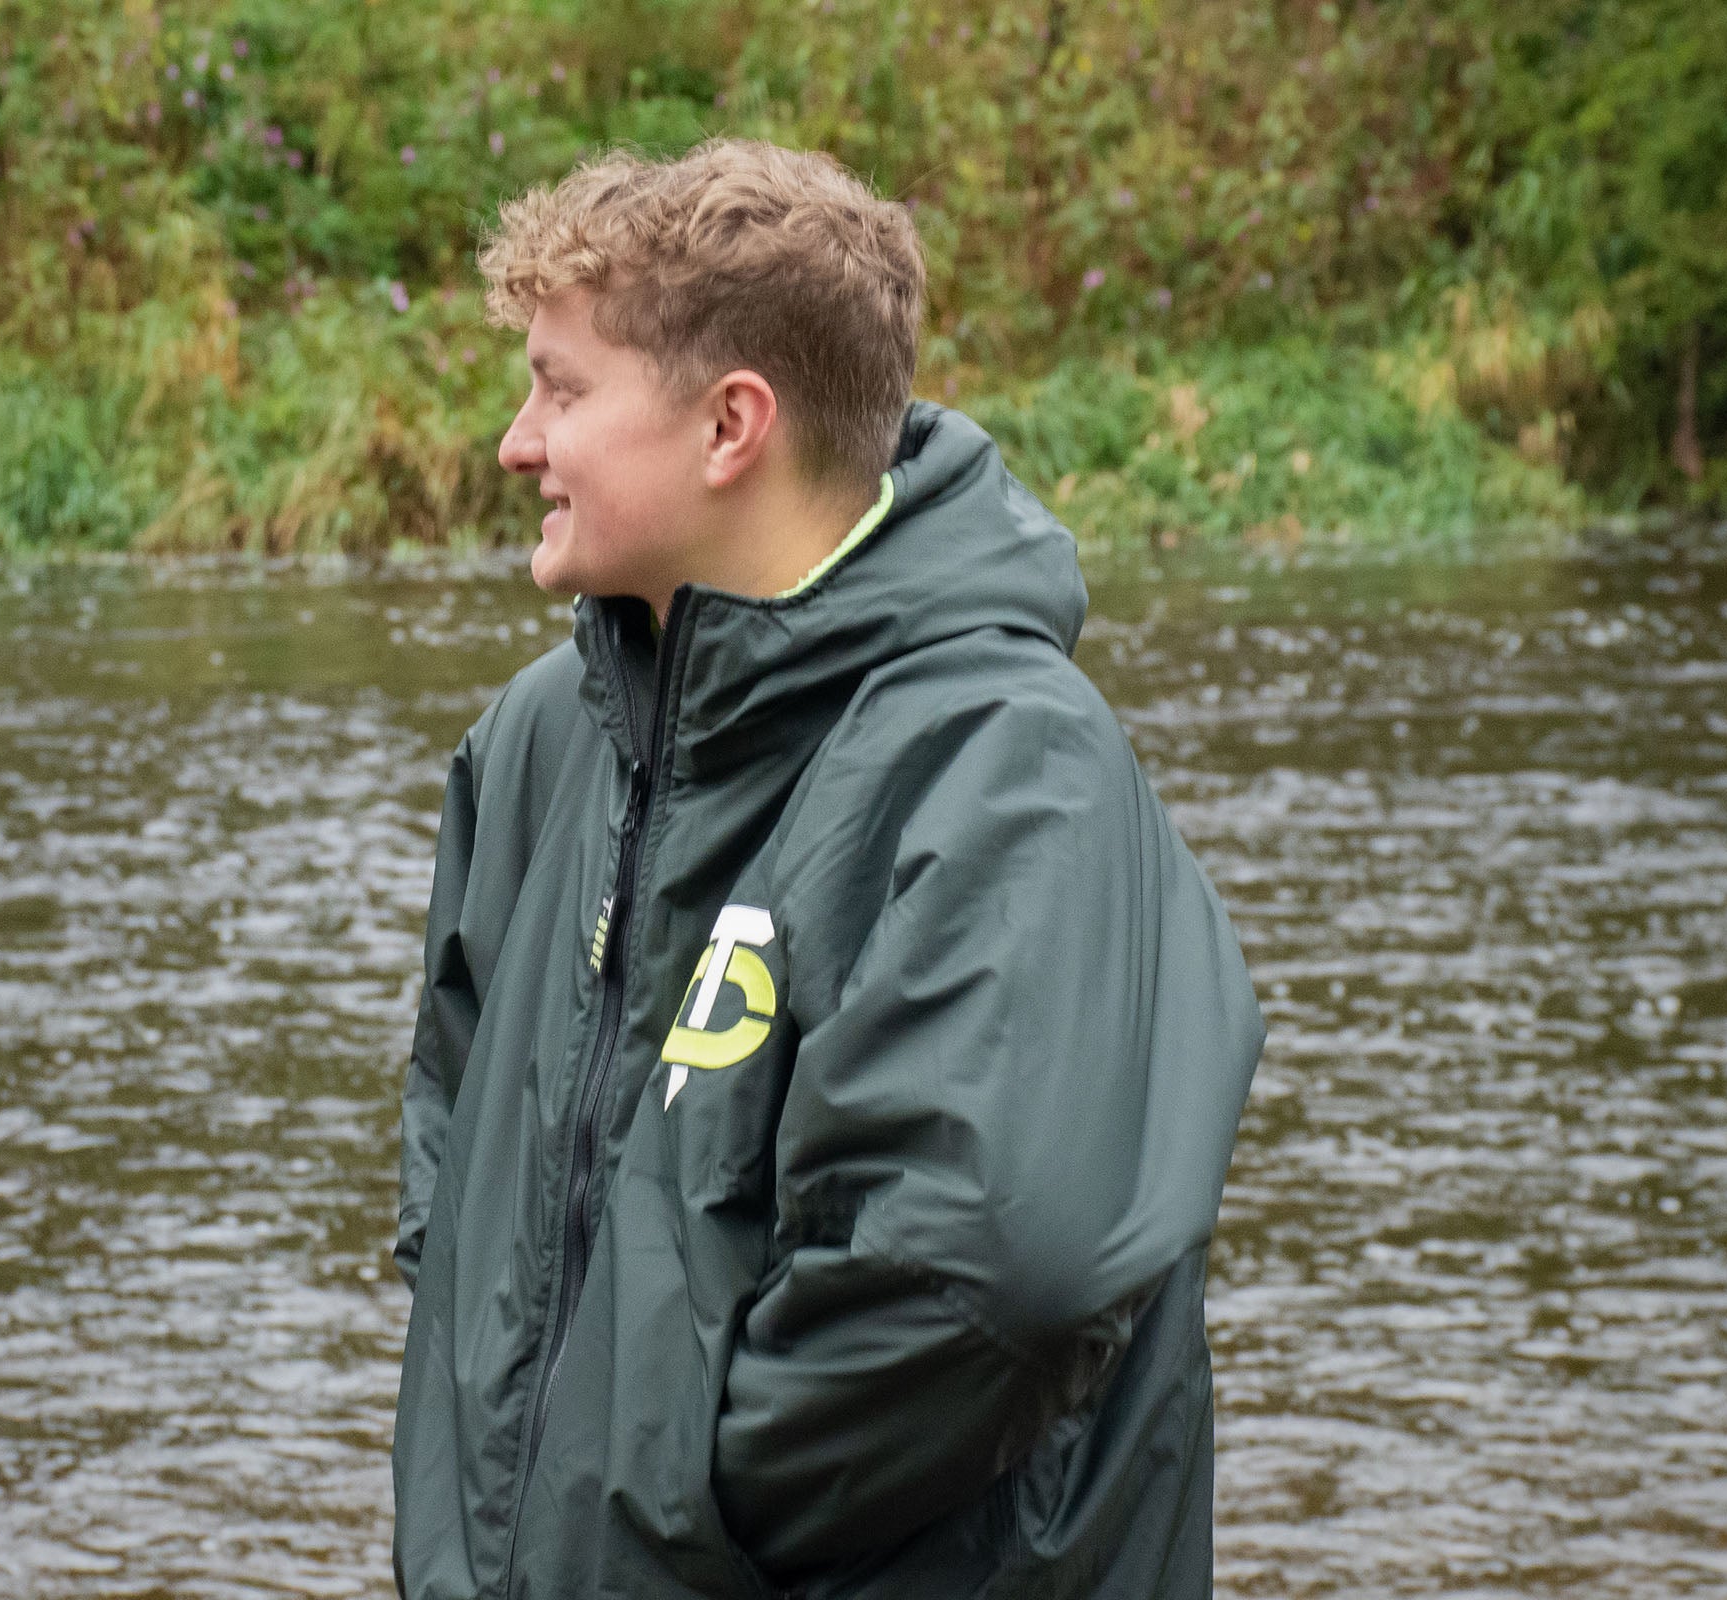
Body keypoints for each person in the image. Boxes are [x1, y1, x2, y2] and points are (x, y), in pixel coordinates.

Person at [392, 137, 1266, 1599]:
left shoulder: (1003, 763)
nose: (514, 441)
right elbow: (455, 1139)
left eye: (561, 386)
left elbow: (1004, 1273)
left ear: (732, 425)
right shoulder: (545, 740)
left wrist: (681, 1495)